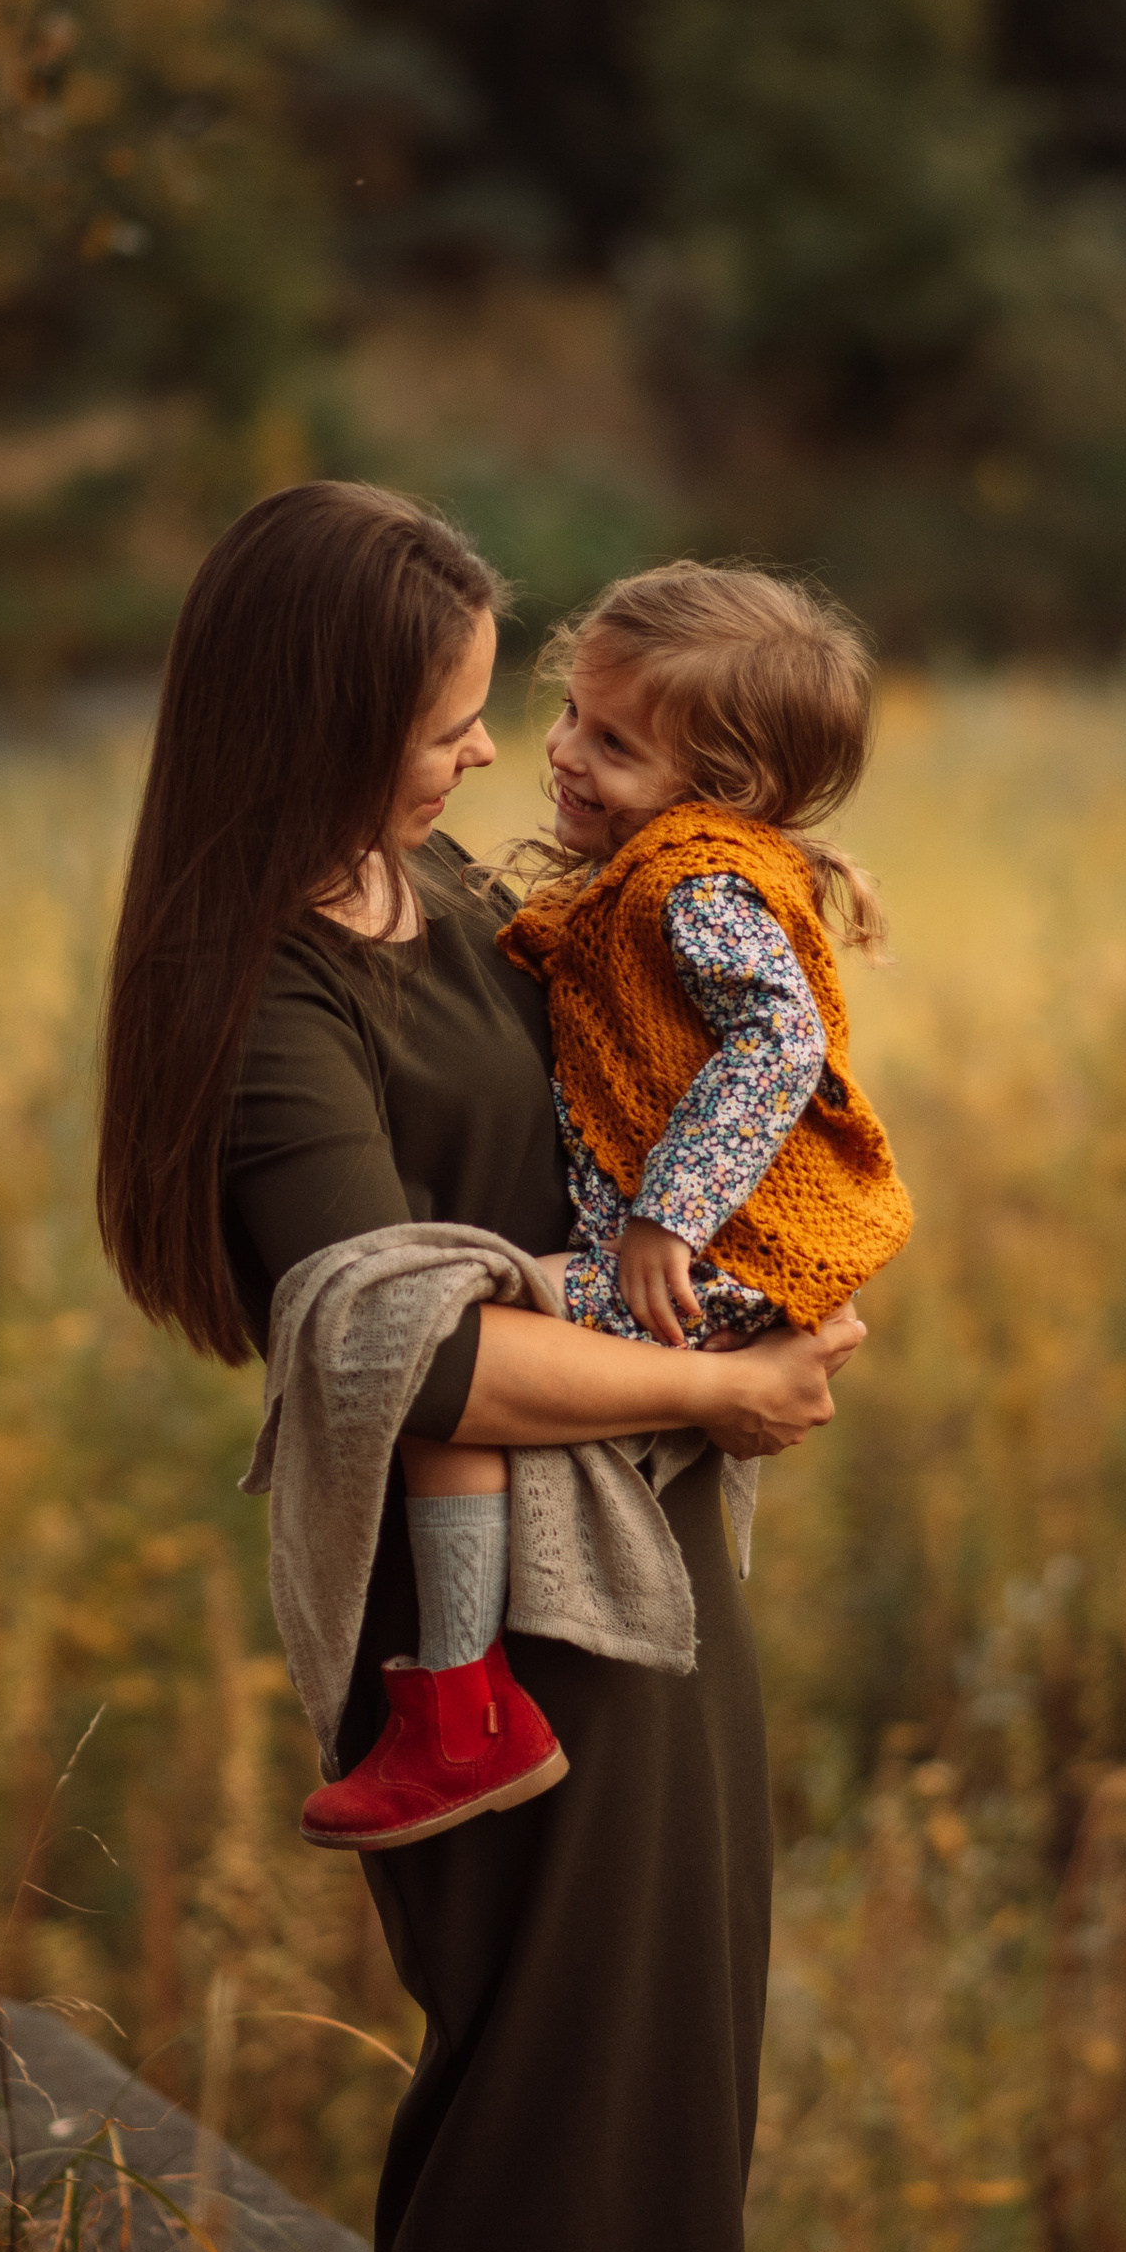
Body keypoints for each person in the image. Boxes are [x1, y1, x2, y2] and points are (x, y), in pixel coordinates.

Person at [96, 481, 866, 2252]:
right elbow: (408, 1358)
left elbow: (640, 1093)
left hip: (633, 1579)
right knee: (523, 2110)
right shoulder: (261, 982)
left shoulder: (437, 898)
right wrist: (727, 1383)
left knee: (655, 2088)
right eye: (445, 723)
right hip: (475, 1643)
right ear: (329, 712)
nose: (477, 761)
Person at [304, 561, 912, 1859]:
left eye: (616, 744)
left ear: (725, 785)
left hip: (721, 1257)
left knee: (442, 1348)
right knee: (469, 1339)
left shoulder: (698, 878)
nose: (563, 754)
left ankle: (461, 1709)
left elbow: (777, 1045)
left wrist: (669, 1218)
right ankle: (470, 1698)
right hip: (727, 1250)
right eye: (573, 715)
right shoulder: (671, 863)